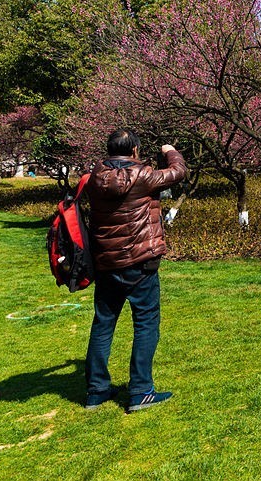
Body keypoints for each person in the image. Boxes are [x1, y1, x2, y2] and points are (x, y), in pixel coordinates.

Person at [83, 130, 186, 412]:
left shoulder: (94, 177)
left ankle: (96, 390)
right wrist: (170, 150)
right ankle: (141, 391)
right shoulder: (143, 176)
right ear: (135, 151)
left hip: (107, 262)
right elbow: (178, 172)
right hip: (141, 261)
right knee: (146, 323)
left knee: (103, 324)